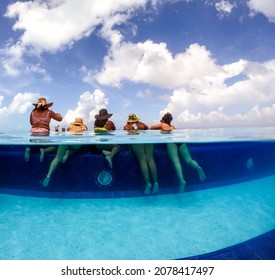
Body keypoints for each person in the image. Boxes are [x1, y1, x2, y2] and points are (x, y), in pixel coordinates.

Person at [150, 112, 206, 192]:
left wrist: (161, 125)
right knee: (189, 160)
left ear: (163, 120)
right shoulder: (173, 126)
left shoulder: (162, 125)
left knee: (176, 162)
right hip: (181, 142)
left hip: (171, 142)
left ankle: (182, 181)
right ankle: (198, 168)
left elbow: (151, 128)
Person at [42, 117, 87, 187]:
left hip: (65, 141)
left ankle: (48, 175)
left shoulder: (71, 127)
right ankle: (68, 153)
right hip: (76, 143)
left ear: (74, 122)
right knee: (78, 149)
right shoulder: (84, 127)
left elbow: (66, 131)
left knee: (57, 158)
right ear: (82, 123)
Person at [124, 113, 159, 194]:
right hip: (148, 140)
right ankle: (156, 182)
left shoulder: (127, 127)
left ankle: (147, 183)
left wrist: (129, 149)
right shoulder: (142, 124)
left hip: (136, 140)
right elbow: (148, 130)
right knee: (150, 159)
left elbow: (128, 139)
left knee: (142, 159)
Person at [24, 97, 62, 162]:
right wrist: (59, 115)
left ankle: (29, 148)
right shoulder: (49, 112)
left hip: (33, 132)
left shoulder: (32, 112)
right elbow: (60, 119)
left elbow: (31, 123)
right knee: (56, 147)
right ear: (46, 105)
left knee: (33, 143)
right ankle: (44, 151)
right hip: (44, 133)